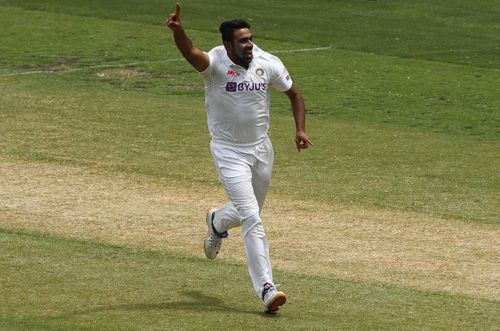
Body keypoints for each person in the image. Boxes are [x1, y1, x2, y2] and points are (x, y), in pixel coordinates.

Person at [166, 2, 312, 314]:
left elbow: (295, 95)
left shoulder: (267, 62)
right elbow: (192, 53)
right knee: (252, 218)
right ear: (227, 43)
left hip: (261, 150)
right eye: (243, 40)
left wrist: (300, 130)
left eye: (250, 38)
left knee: (250, 210)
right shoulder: (216, 62)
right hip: (228, 152)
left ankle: (216, 221)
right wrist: (179, 33)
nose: (249, 44)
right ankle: (266, 289)